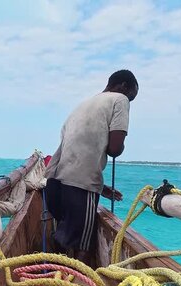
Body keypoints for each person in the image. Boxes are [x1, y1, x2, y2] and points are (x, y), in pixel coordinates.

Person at [44, 69, 139, 264]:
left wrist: (100, 188)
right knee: (82, 246)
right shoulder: (120, 100)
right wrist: (121, 145)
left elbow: (74, 152)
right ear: (123, 86)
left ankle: (57, 271)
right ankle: (77, 282)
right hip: (80, 186)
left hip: (54, 182)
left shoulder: (82, 105)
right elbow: (114, 148)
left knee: (64, 236)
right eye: (131, 96)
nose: (129, 101)